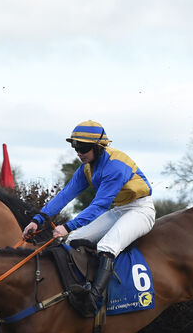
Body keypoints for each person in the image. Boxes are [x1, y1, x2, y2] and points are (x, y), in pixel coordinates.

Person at [22, 121, 156, 316]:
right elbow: (65, 195)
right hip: (119, 210)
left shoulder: (115, 166)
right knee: (74, 240)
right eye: (75, 147)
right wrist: (38, 220)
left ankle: (94, 299)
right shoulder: (87, 167)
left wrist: (68, 225)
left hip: (140, 210)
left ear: (98, 147)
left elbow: (99, 205)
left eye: (83, 148)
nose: (78, 152)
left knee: (107, 246)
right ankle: (78, 286)